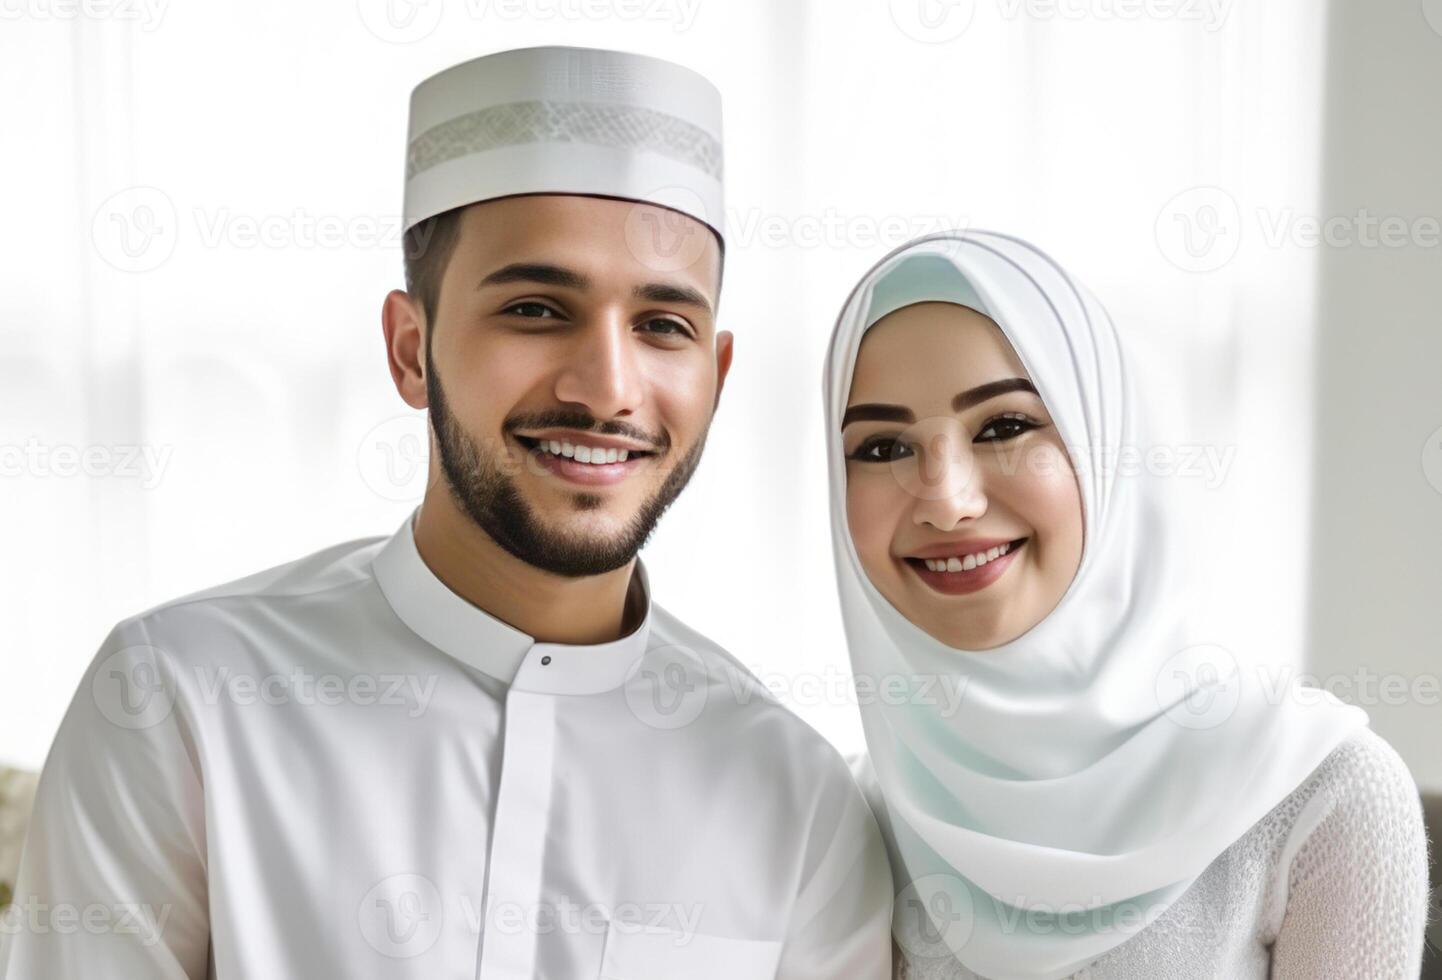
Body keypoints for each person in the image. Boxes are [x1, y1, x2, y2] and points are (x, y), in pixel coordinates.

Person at [0, 46, 893, 979]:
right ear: (409, 349)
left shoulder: (799, 805)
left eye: (663, 326)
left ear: (716, 373)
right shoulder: (174, 702)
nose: (606, 390)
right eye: (538, 309)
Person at [822, 231, 1432, 979]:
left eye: (1006, 426)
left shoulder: (1321, 795)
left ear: (1105, 445)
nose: (946, 501)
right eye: (882, 447)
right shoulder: (851, 819)